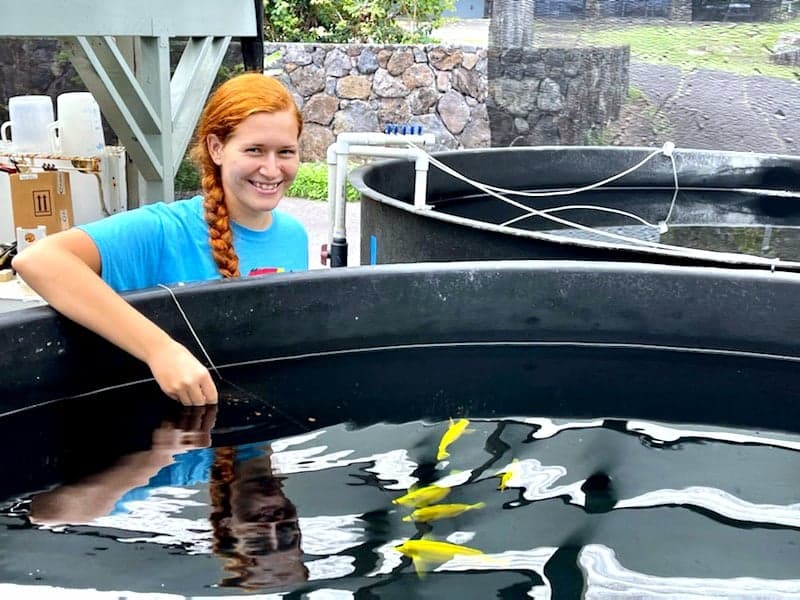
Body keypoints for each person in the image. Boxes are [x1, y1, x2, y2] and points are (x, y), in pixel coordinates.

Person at [12, 73, 309, 406]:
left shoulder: (293, 237)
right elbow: (37, 260)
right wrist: (160, 350)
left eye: (285, 152)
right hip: (165, 441)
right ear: (216, 148)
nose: (271, 170)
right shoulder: (163, 230)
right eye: (254, 150)